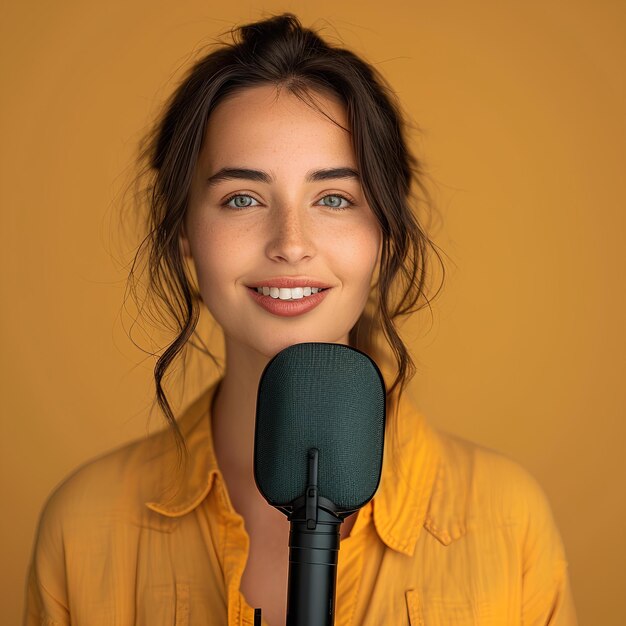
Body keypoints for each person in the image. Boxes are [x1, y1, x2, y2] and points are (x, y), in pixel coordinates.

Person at [24, 12, 578, 626]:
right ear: (184, 230)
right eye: (242, 198)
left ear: (386, 234)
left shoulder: (506, 522)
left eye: (334, 199)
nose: (290, 243)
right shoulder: (83, 527)